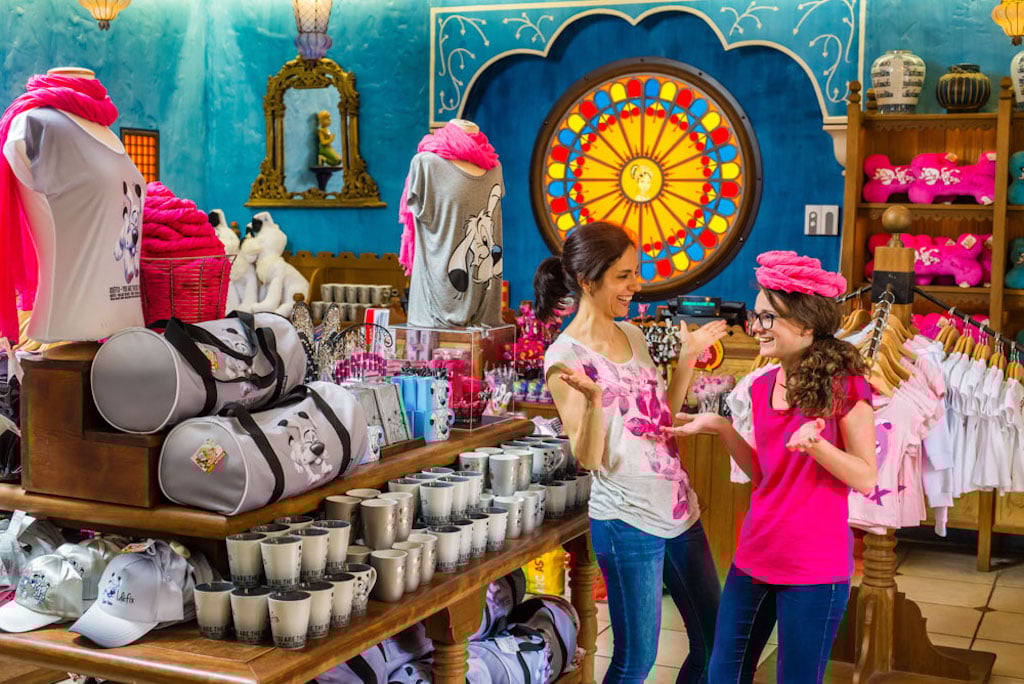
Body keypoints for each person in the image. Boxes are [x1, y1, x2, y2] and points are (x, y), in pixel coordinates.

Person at [662, 250, 876, 683]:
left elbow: (866, 477)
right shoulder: (761, 386)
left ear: (805, 323)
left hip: (815, 568)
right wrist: (722, 427)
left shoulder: (847, 386)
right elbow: (765, 475)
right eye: (755, 317)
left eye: (767, 318)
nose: (756, 328)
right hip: (755, 555)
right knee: (724, 674)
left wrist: (818, 447)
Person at [535, 222, 728, 684]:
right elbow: (589, 457)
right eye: (624, 276)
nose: (635, 285)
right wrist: (597, 400)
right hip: (625, 519)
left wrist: (687, 357)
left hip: (679, 507)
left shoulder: (632, 335)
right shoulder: (564, 357)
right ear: (588, 281)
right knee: (636, 660)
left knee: (713, 640)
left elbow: (661, 417)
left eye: (635, 273)